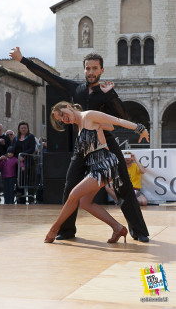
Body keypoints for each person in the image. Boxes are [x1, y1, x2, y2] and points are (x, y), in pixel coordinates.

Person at [9, 47, 149, 242]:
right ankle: (66, 231)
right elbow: (48, 76)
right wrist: (23, 60)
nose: (91, 72)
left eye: (94, 68)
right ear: (84, 70)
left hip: (105, 146)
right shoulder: (75, 89)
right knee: (69, 186)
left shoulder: (106, 92)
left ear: (101, 70)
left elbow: (122, 117)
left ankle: (139, 232)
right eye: (87, 68)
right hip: (83, 147)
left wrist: (111, 95)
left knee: (123, 187)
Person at [44, 101, 149, 243]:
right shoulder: (81, 125)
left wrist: (140, 128)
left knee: (74, 195)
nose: (64, 119)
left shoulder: (89, 115)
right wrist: (100, 126)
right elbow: (109, 127)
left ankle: (53, 230)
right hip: (97, 166)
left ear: (69, 106)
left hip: (105, 165)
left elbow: (116, 121)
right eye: (60, 119)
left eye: (62, 114)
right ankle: (118, 228)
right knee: (85, 202)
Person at [12, 121, 36, 204]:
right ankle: (20, 199)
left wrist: (23, 155)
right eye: (22, 128)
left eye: (25, 128)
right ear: (19, 129)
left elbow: (32, 148)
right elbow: (13, 149)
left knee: (30, 181)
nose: (23, 129)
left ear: (28, 128)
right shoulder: (15, 138)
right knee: (20, 180)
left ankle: (31, 199)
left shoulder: (31, 137)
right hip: (19, 163)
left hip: (29, 162)